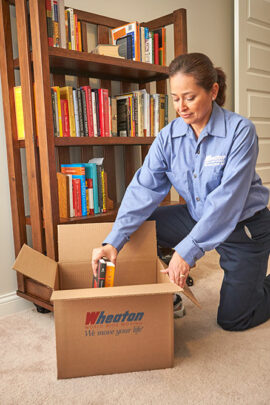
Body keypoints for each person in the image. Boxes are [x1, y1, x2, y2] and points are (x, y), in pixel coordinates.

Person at [92, 52, 270, 331]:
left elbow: (227, 203)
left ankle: (256, 281)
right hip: (197, 217)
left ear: (212, 91)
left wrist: (186, 251)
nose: (181, 107)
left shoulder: (240, 131)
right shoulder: (168, 136)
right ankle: (166, 288)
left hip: (242, 227)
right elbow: (144, 188)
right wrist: (113, 241)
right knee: (142, 227)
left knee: (234, 320)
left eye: (189, 97)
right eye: (175, 98)